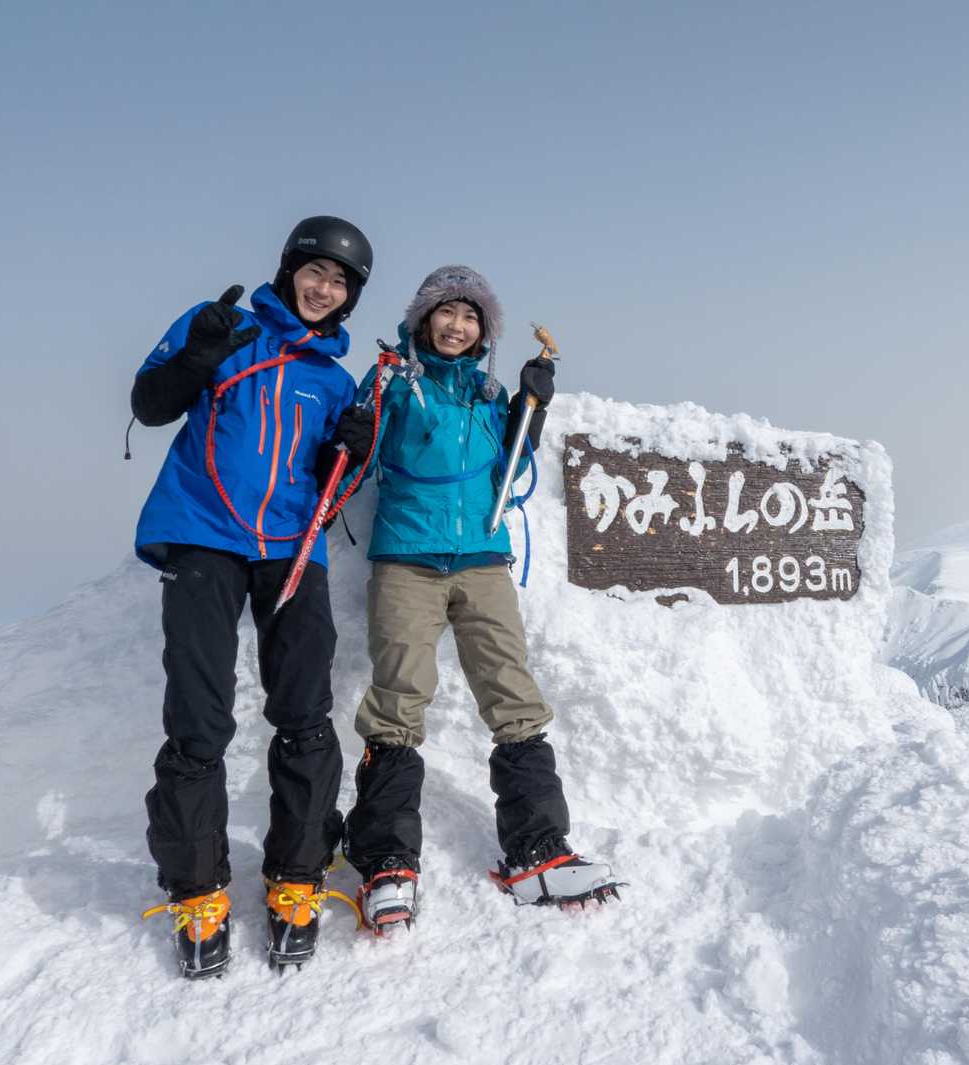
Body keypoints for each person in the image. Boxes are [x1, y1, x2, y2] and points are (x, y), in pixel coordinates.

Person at [132, 216, 378, 977]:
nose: (324, 289)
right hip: (203, 535)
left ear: (350, 298)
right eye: (315, 272)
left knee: (304, 711)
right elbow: (152, 404)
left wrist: (352, 450)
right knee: (198, 716)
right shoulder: (224, 327)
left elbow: (331, 489)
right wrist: (198, 354)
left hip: (290, 547)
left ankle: (298, 876)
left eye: (340, 283)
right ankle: (196, 889)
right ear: (288, 269)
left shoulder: (333, 380)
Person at [342, 265, 618, 933]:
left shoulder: (490, 395)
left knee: (514, 696)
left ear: (484, 330)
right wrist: (355, 428)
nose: (457, 325)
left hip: (484, 561)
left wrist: (530, 413)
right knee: (397, 701)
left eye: (470, 316)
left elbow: (509, 470)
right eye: (446, 312)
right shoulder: (392, 381)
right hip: (407, 559)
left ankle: (538, 848)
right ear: (423, 319)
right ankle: (386, 861)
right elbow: (359, 460)